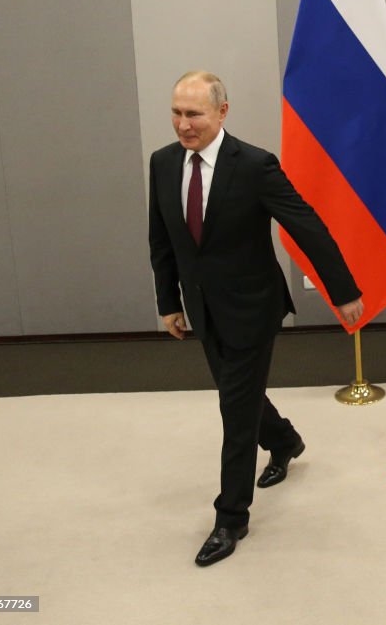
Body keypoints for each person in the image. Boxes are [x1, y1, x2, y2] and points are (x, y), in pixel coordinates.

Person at [148, 71, 363, 567]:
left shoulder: (255, 165)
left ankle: (230, 518)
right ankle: (286, 441)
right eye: (177, 113)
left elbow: (304, 223)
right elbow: (162, 239)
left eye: (194, 113)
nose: (184, 124)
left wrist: (343, 289)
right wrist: (168, 302)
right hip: (202, 309)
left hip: (251, 308)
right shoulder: (162, 164)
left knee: (235, 413)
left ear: (222, 113)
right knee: (236, 392)